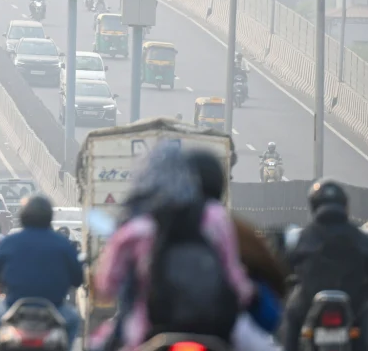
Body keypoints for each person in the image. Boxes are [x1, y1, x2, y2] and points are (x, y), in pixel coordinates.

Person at [91, 142, 253, 351]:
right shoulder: (216, 217)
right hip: (214, 329)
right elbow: (235, 279)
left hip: (146, 332)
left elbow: (107, 285)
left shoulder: (137, 228)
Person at [185, 149, 288, 349]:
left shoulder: (152, 224)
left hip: (156, 332)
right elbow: (268, 313)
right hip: (223, 329)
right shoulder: (231, 228)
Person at [284, 179, 368, 351]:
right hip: (353, 302)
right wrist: (365, 290)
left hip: (308, 302)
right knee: (366, 315)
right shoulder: (358, 236)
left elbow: (286, 263)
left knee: (291, 315)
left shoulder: (305, 236)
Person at [0, 195, 83, 348]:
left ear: (23, 216)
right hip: (55, 309)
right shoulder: (62, 243)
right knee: (74, 320)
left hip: (13, 307)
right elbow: (78, 278)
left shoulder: (10, 241)